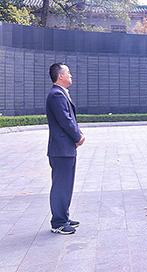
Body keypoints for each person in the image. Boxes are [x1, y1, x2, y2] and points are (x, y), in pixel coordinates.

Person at [46, 63, 84, 235]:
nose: (71, 75)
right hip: (61, 149)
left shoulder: (60, 93)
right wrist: (78, 136)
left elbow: (68, 120)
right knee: (61, 186)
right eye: (68, 72)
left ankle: (64, 217)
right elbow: (65, 120)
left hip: (65, 148)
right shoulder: (56, 95)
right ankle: (58, 223)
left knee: (66, 185)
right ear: (60, 76)